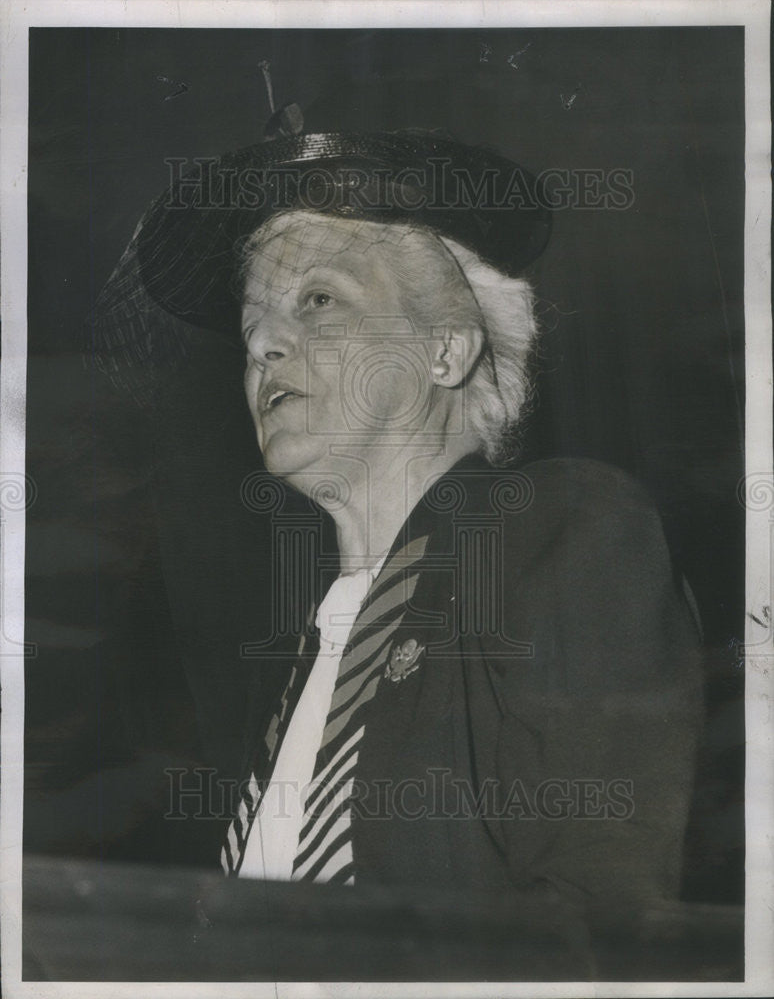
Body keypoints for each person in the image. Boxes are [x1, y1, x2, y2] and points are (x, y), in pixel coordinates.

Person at [125, 129, 703, 902]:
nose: (262, 342)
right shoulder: (302, 650)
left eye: (318, 300)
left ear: (447, 349)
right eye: (251, 326)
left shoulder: (557, 534)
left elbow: (600, 919)